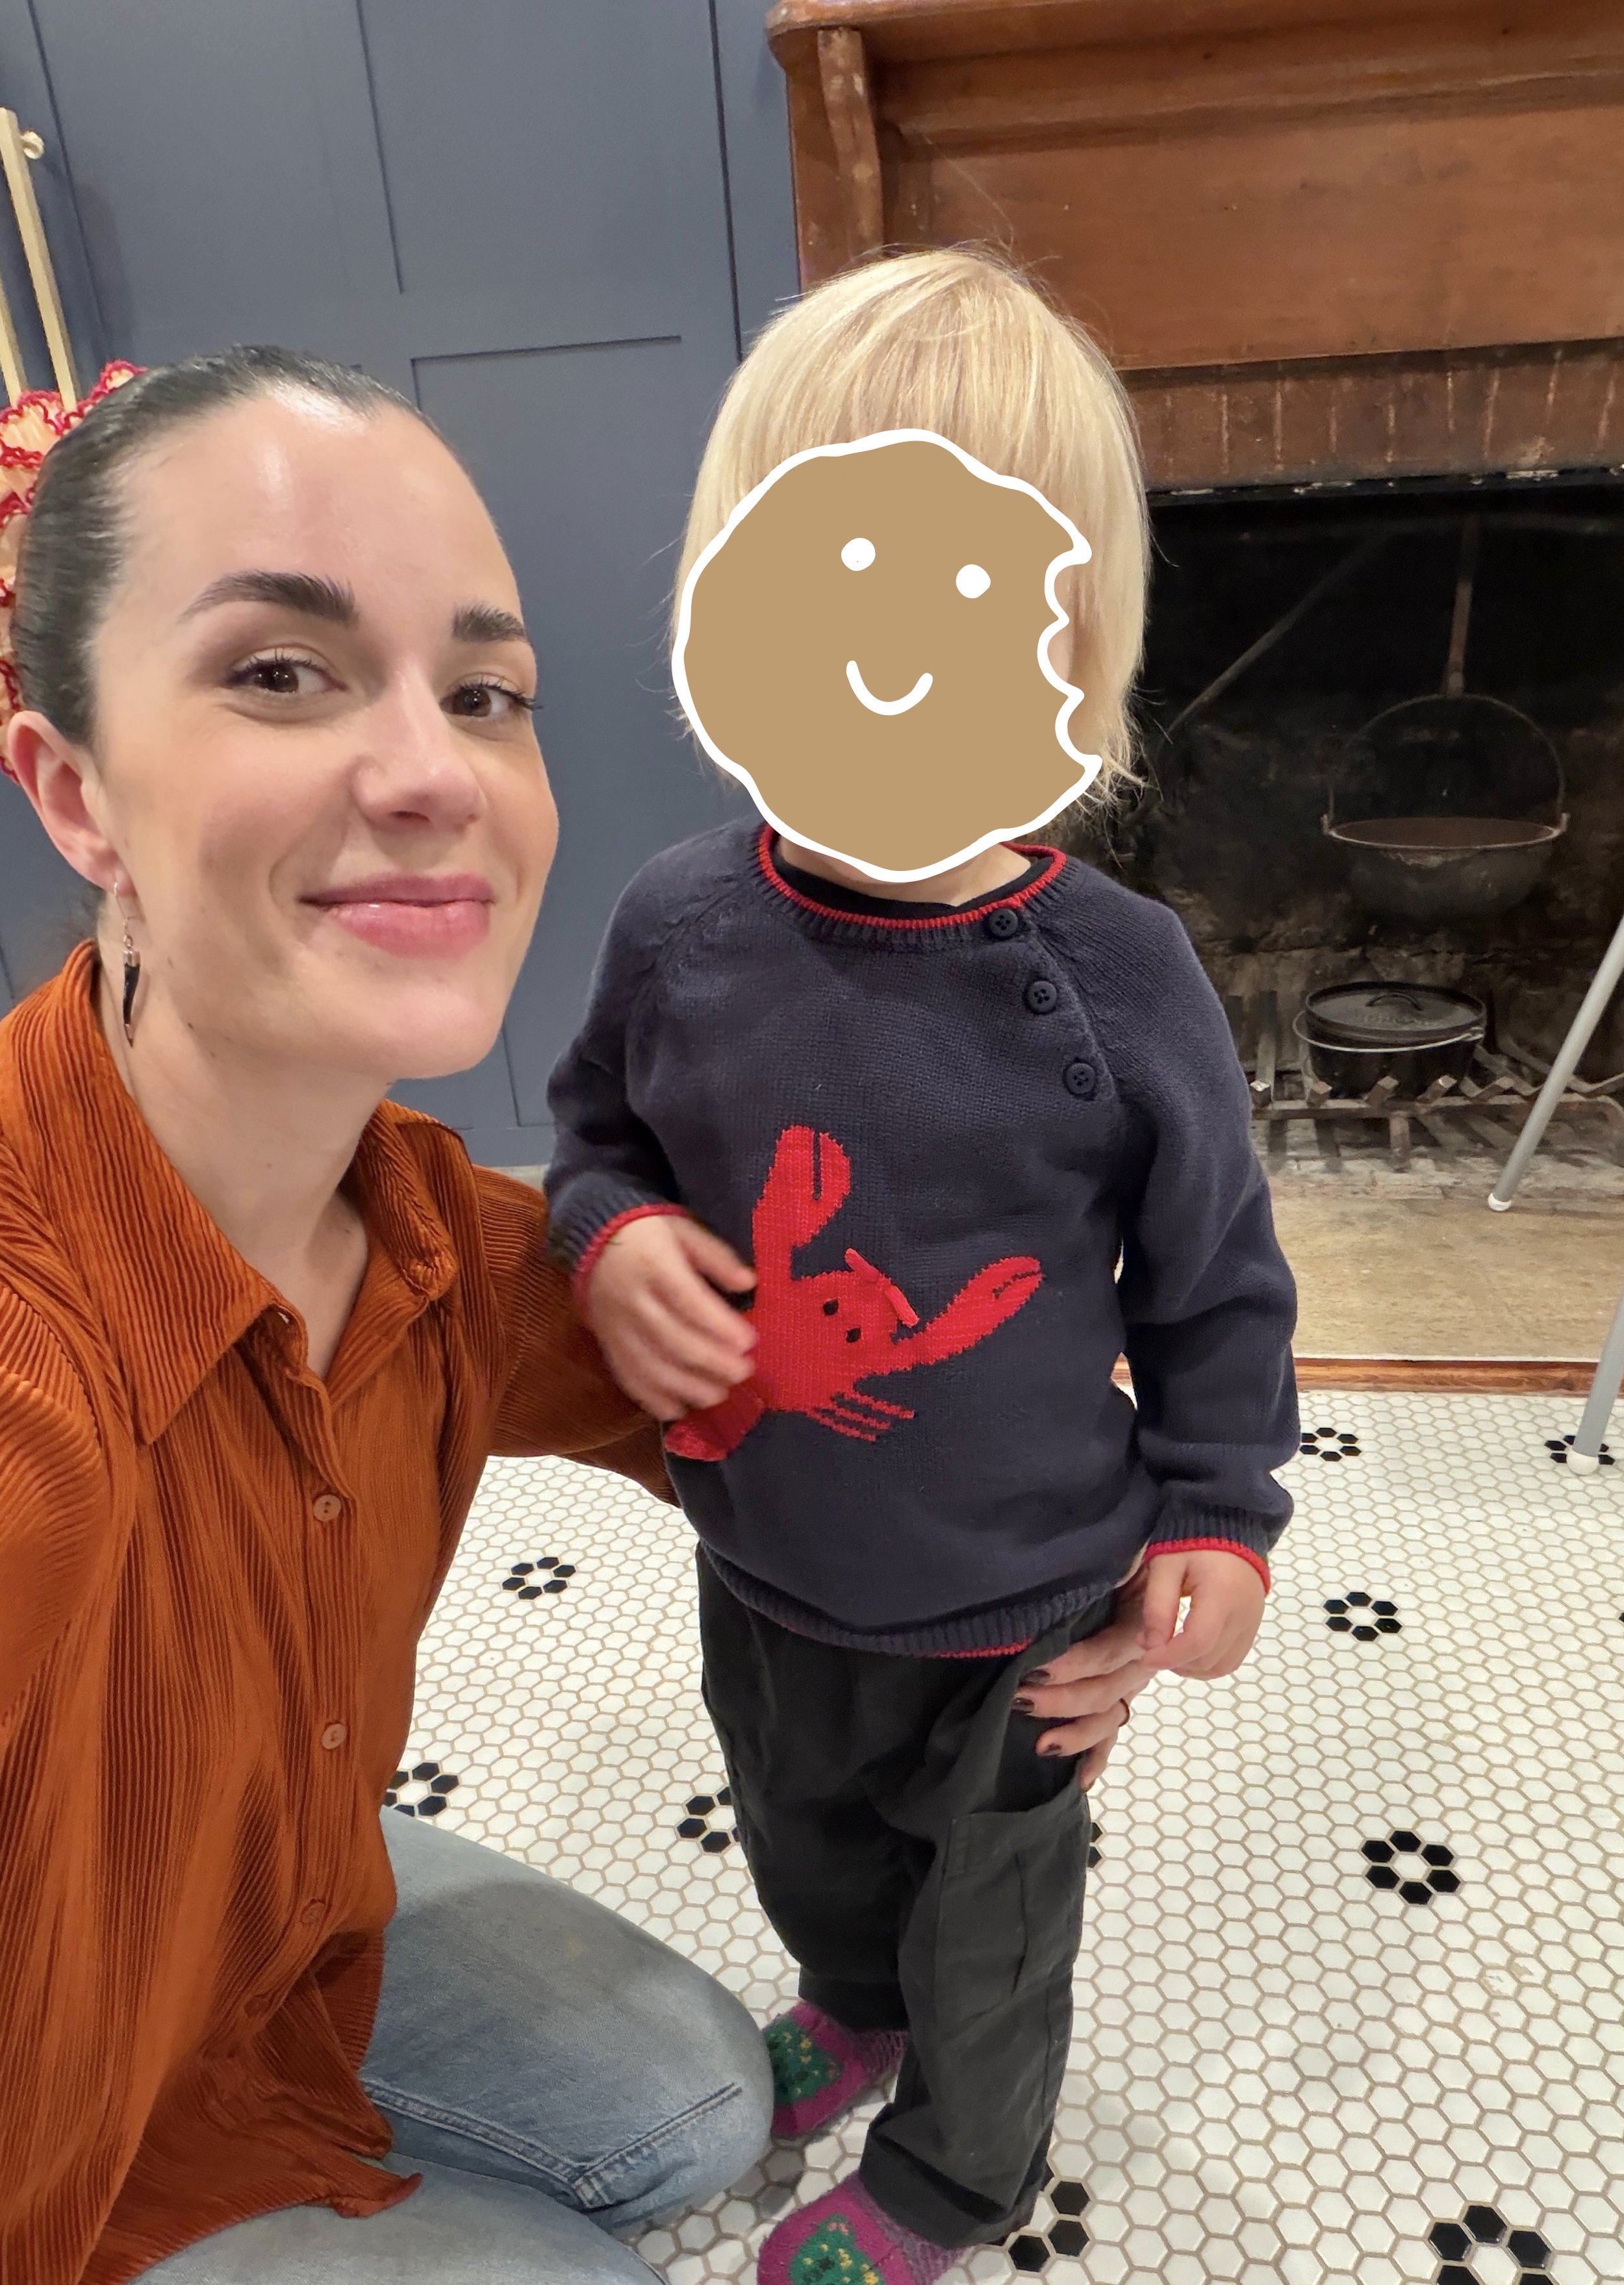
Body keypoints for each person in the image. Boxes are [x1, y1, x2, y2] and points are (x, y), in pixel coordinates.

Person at [544, 249, 1299, 2285]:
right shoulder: (676, 923)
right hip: (764, 1554)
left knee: (989, 1914)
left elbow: (1214, 1283)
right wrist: (605, 1231)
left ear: (1074, 642)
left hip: (1027, 1611)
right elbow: (589, 1130)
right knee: (806, 1839)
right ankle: (844, 2002)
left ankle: (958, 2169)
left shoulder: (1120, 979)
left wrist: (1219, 1521)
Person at [0, 347, 770, 2285]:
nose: (435, 772)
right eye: (282, 670)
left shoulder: (423, 1229)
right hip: (41, 2147)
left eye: (488, 693)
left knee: (698, 2109)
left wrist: (1095, 1516)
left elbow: (789, 1401)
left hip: (268, 1938)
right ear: (74, 792)